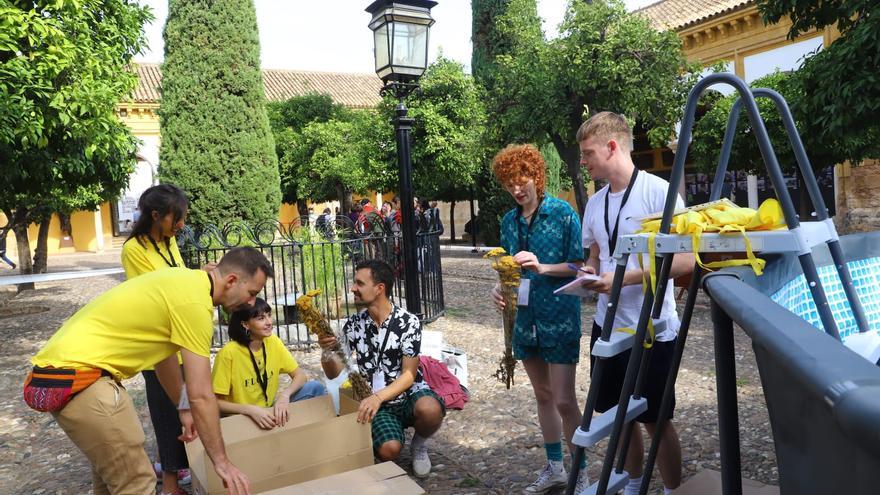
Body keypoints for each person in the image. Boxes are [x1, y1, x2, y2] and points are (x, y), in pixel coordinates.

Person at [24, 247, 274, 495]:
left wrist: (183, 408)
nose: (251, 302)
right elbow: (202, 394)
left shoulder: (184, 282)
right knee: (137, 483)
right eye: (252, 293)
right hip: (83, 378)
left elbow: (163, 357)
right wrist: (222, 462)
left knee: (110, 483)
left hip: (63, 373)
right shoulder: (195, 304)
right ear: (231, 280)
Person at [577, 112, 693, 495]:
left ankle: (673, 490)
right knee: (616, 416)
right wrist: (589, 273)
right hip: (606, 328)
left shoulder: (660, 193)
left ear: (612, 147)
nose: (583, 161)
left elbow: (686, 261)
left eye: (588, 153)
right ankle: (634, 484)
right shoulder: (594, 204)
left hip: (652, 328)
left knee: (656, 419)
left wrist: (622, 278)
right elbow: (595, 253)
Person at [489, 144, 589, 494]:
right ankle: (555, 467)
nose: (517, 188)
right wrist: (500, 291)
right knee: (543, 396)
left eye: (523, 179)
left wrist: (543, 266)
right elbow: (506, 270)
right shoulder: (508, 221)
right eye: (509, 183)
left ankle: (581, 471)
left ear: (536, 176)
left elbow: (581, 266)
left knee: (564, 400)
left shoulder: (563, 214)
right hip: (524, 319)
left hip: (559, 316)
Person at [318, 259, 445, 479]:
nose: (353, 288)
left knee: (430, 409)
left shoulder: (409, 322)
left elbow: (409, 374)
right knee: (389, 450)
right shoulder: (353, 325)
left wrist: (377, 397)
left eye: (359, 283)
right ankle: (392, 436)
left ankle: (419, 444)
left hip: (407, 393)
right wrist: (327, 351)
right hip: (376, 403)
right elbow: (333, 373)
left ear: (379, 289)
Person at [121, 184, 191, 495]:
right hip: (159, 345)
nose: (181, 225)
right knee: (168, 416)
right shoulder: (134, 249)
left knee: (183, 410)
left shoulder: (168, 243)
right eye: (177, 218)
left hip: (181, 340)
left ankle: (173, 470)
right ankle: (171, 487)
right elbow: (155, 292)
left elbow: (180, 279)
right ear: (156, 215)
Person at [212, 297, 326, 428]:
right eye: (261, 318)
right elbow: (215, 402)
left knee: (316, 388)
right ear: (245, 324)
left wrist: (284, 396)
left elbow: (300, 376)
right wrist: (250, 410)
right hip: (242, 418)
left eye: (269, 316)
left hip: (269, 410)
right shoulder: (228, 353)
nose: (269, 322)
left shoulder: (273, 342)